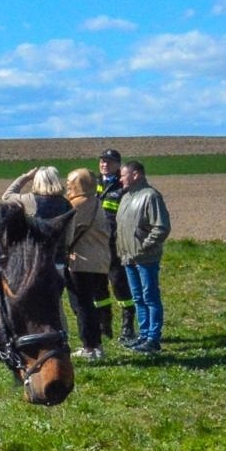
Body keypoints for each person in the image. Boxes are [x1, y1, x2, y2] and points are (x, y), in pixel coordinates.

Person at [113, 160, 170, 354]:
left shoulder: (151, 196)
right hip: (128, 258)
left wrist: (144, 248)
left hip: (145, 258)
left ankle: (153, 338)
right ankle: (143, 335)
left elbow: (161, 227)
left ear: (136, 175)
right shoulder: (126, 197)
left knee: (150, 297)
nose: (120, 179)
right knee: (138, 298)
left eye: (123, 175)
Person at [59, 168, 112, 359]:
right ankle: (94, 344)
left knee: (82, 305)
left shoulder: (78, 205)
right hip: (99, 262)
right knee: (88, 304)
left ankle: (91, 346)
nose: (67, 187)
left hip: (82, 262)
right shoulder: (95, 202)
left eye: (70, 184)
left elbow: (64, 229)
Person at [95, 147, 137, 345]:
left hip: (116, 243)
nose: (104, 164)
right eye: (102, 161)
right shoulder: (93, 183)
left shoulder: (125, 186)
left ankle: (128, 325)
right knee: (98, 285)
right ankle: (104, 325)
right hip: (95, 243)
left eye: (109, 162)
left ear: (118, 165)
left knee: (119, 282)